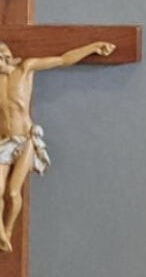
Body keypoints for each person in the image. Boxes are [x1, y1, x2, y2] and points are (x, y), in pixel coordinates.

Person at [0, 40, 115, 251]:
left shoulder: (25, 69)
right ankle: (1, 235)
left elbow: (63, 59)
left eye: (1, 56)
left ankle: (7, 231)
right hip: (4, 143)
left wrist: (92, 47)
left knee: (13, 193)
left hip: (25, 140)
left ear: (7, 56)